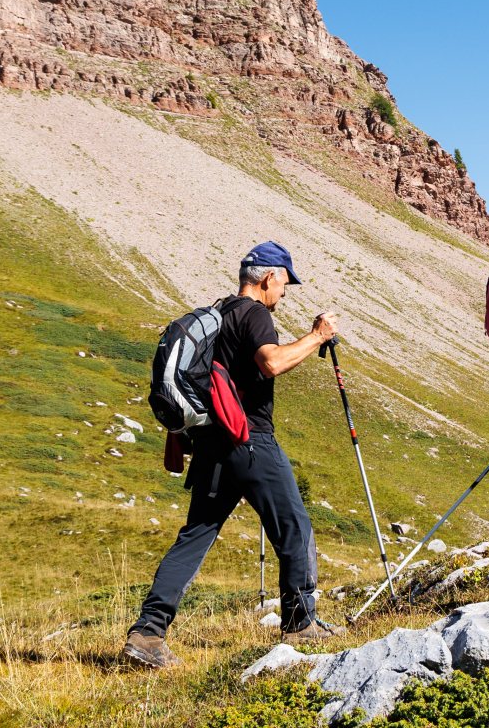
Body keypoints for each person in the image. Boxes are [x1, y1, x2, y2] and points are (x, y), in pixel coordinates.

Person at [124, 241, 341, 669]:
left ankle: (148, 633)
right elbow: (271, 363)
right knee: (294, 526)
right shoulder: (255, 314)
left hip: (212, 445)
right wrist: (317, 336)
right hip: (251, 441)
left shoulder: (220, 312)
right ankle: (300, 623)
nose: (285, 292)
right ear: (268, 277)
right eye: (285, 283)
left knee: (195, 536)